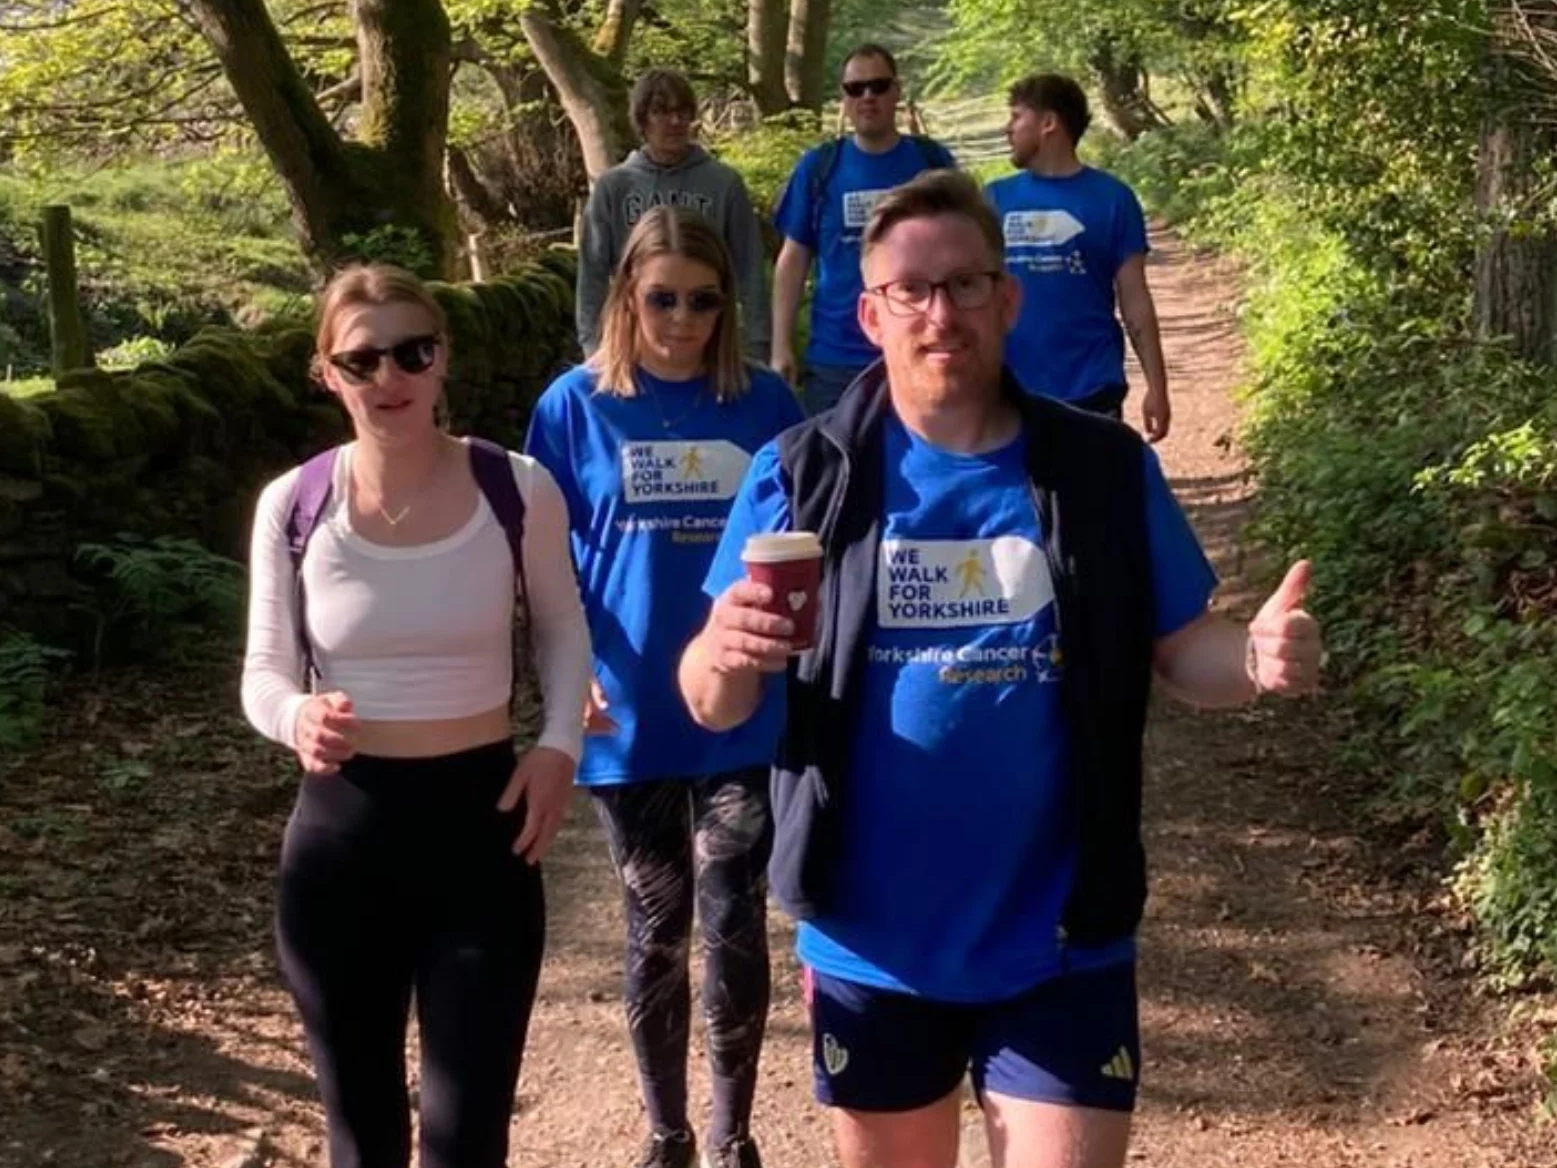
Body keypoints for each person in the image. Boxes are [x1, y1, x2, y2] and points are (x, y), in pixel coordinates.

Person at [677, 171, 1324, 1168]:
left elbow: (1181, 651)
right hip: (871, 942)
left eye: (965, 284)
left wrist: (1250, 655)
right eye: (910, 290)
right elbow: (711, 700)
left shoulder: (1100, 470)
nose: (940, 312)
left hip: (1062, 934)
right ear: (868, 312)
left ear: (1005, 297)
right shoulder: (800, 474)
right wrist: (720, 648)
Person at [240, 264, 594, 1168]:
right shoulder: (293, 505)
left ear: (444, 362)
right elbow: (265, 671)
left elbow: (561, 629)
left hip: (483, 835)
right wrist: (295, 719)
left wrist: (557, 748)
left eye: (412, 353)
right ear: (328, 374)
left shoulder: (516, 490)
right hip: (341, 840)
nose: (389, 378)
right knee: (362, 1134)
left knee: (467, 1137)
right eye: (362, 361)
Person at [527, 207, 804, 1168]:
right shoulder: (573, 406)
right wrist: (566, 685)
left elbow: (806, 551)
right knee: (656, 923)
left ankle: (733, 1135)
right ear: (625, 297)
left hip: (743, 709)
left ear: (728, 305)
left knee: (733, 916)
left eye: (703, 299)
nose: (682, 318)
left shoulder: (767, 405)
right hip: (628, 707)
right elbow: (543, 564)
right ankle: (667, 1132)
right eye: (661, 298)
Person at [768, 44, 959, 414]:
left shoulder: (932, 163)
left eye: (878, 86)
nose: (867, 97)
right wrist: (781, 345)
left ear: (897, 92)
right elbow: (793, 258)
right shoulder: (819, 167)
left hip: (920, 347)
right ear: (843, 97)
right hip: (835, 359)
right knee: (835, 468)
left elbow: (962, 252)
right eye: (855, 89)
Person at [985, 74, 1171, 438]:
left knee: (1095, 494)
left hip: (1092, 385)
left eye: (1016, 117)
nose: (1008, 129)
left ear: (1049, 123)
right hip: (1009, 391)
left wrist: (1158, 387)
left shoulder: (1113, 199)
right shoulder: (992, 200)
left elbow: (1135, 300)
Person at [578, 70, 773, 365]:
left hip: (707, 335)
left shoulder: (723, 183)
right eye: (661, 111)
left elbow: (749, 268)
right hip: (633, 338)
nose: (675, 121)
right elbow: (592, 272)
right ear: (642, 119)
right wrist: (593, 345)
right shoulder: (614, 187)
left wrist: (757, 345)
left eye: (682, 112)